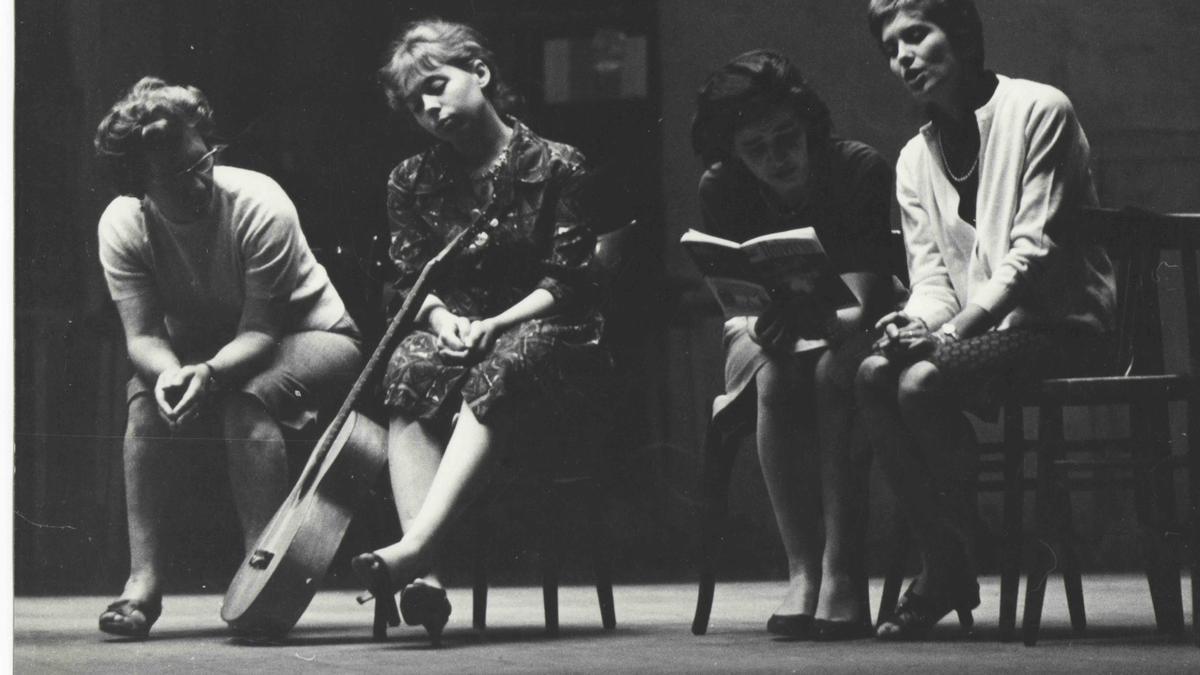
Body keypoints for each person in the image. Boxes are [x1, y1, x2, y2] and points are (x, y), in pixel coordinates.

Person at [858, 0, 1116, 639]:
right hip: (982, 334)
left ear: (964, 34)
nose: (904, 57)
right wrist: (915, 323)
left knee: (919, 383)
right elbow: (932, 282)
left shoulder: (1039, 109)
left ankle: (954, 556)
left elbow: (1036, 253)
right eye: (892, 49)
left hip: (1063, 326)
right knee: (869, 372)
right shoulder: (914, 160)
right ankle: (952, 552)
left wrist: (951, 333)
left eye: (917, 36)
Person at [352, 19, 610, 645]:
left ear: (481, 73)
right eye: (416, 103)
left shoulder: (557, 166)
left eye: (437, 86)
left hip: (549, 332)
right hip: (457, 335)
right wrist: (443, 321)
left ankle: (414, 547)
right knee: (408, 364)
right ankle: (426, 581)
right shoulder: (409, 180)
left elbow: (567, 282)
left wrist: (494, 323)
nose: (430, 108)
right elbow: (412, 280)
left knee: (510, 360)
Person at [93, 77, 364, 638]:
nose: (198, 180)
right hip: (199, 353)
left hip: (315, 337)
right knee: (144, 407)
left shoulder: (259, 203)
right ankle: (141, 584)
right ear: (139, 181)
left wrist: (209, 373)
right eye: (174, 175)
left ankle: (261, 581)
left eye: (203, 159)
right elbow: (141, 335)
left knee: (247, 399)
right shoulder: (122, 225)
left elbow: (261, 334)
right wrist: (170, 374)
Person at [691, 50, 897, 640]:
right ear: (733, 152)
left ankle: (840, 570)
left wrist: (815, 316)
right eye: (755, 149)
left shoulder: (856, 168)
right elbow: (738, 300)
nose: (777, 158)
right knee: (777, 373)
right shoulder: (723, 187)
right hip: (767, 332)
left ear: (808, 124)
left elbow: (861, 303)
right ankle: (802, 570)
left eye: (787, 138)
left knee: (832, 370)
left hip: (855, 322)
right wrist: (761, 323)